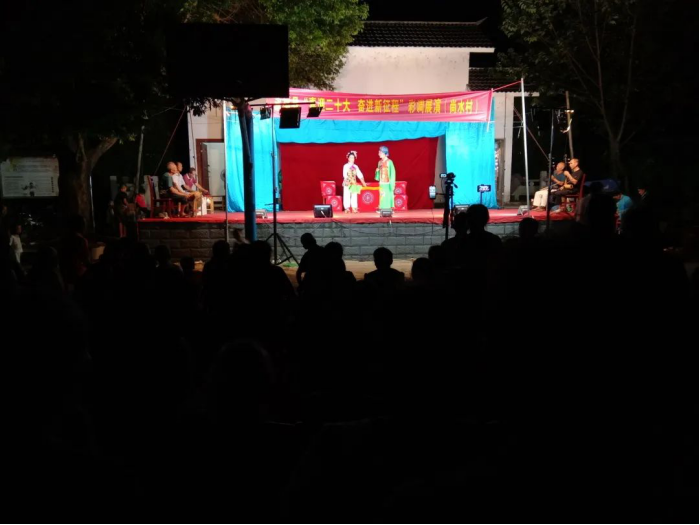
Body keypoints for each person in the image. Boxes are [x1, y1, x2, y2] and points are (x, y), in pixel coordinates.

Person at [375, 146, 395, 210]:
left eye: (380, 153)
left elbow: (392, 173)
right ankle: (382, 208)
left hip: (388, 183)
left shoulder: (390, 162)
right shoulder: (379, 162)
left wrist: (392, 183)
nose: (379, 154)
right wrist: (377, 171)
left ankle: (389, 208)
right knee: (382, 195)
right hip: (382, 182)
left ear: (384, 153)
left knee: (388, 195)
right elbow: (378, 174)